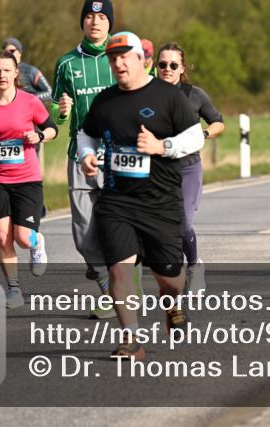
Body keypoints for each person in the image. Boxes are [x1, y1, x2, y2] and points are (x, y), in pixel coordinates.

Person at [78, 32, 204, 360]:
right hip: (117, 200)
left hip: (161, 200)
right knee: (120, 269)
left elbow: (195, 137)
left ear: (140, 59)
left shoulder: (167, 96)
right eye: (112, 58)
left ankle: (173, 302)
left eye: (124, 57)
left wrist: (162, 146)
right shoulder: (104, 101)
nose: (118, 63)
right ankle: (131, 340)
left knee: (168, 278)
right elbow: (86, 135)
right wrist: (86, 156)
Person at [0, 51, 57, 308]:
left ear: (16, 73)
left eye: (6, 70)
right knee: (3, 237)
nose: (1, 75)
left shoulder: (29, 102)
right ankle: (13, 289)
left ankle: (38, 244)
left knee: (23, 238)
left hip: (27, 179)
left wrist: (39, 136)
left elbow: (52, 128)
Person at [52, 0, 119, 318]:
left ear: (110, 24)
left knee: (119, 226)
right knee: (83, 233)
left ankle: (117, 291)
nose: (95, 23)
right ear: (83, 22)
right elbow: (53, 110)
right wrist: (60, 111)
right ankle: (106, 280)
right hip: (79, 155)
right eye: (90, 18)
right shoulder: (66, 63)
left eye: (102, 18)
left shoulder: (120, 58)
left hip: (118, 156)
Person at [155, 42, 225, 292]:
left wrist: (203, 134)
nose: (167, 69)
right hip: (157, 170)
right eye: (162, 64)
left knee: (183, 223)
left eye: (173, 65)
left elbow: (218, 122)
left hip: (187, 168)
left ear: (182, 67)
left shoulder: (195, 95)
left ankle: (194, 265)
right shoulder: (148, 94)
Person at [1, 38, 53, 105]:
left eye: (12, 51)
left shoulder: (31, 71)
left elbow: (50, 93)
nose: (8, 54)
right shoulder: (0, 73)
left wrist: (30, 99)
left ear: (20, 53)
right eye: (5, 52)